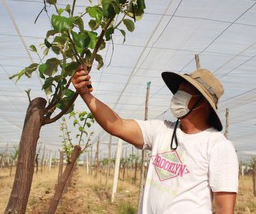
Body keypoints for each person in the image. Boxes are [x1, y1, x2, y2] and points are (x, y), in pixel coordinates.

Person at [72, 65, 238, 214]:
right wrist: (85, 94)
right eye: (178, 91)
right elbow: (118, 125)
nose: (177, 96)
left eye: (185, 92)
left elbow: (224, 208)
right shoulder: (161, 130)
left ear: (202, 102)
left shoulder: (218, 146)